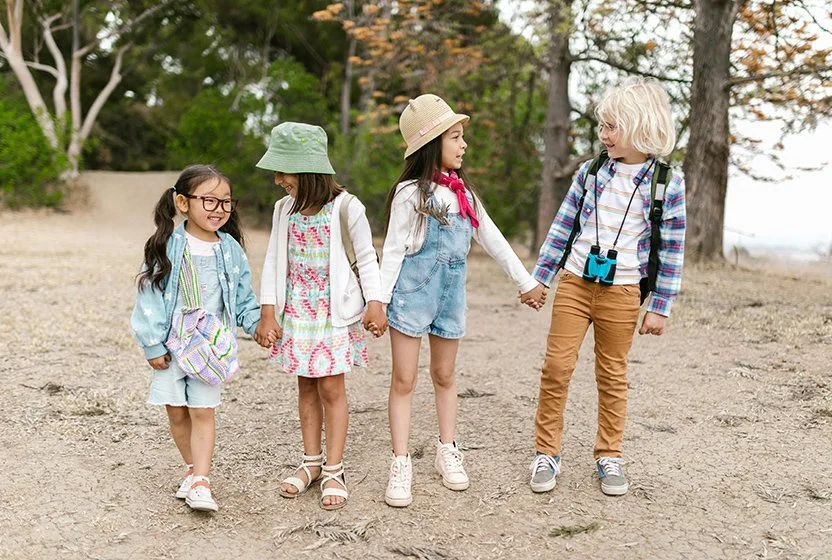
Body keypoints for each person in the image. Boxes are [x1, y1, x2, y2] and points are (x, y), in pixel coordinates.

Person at [380, 94, 547, 507]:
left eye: (462, 137)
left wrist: (525, 281)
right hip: (412, 296)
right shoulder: (410, 194)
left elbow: (492, 238)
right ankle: (401, 461)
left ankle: (447, 449)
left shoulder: (464, 194)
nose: (463, 144)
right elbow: (394, 250)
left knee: (445, 375)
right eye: (455, 137)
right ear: (432, 143)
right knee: (404, 379)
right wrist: (378, 301)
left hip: (450, 298)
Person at [528, 77, 687, 496]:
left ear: (640, 126)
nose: (603, 134)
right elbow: (563, 226)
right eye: (602, 126)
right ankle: (546, 452)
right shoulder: (591, 171)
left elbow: (672, 249)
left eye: (612, 126)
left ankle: (609, 455)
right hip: (576, 283)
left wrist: (660, 306)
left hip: (623, 292)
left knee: (612, 374)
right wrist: (541, 278)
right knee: (557, 367)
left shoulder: (667, 183)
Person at [252, 122, 386, 510]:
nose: (277, 180)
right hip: (298, 312)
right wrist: (268, 311)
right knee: (306, 386)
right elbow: (274, 260)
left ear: (308, 170)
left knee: (331, 389)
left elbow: (365, 257)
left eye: (283, 171)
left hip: (333, 314)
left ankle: (334, 468)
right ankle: (311, 462)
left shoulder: (347, 207)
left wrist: (375, 302)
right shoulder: (283, 210)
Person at [131, 164, 263, 512]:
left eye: (226, 202)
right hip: (172, 347)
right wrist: (153, 344)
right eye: (209, 200)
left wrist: (257, 325)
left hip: (210, 348)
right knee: (176, 413)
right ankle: (191, 468)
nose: (219, 209)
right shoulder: (165, 245)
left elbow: (244, 296)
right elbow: (149, 297)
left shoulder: (230, 249)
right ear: (182, 202)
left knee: (203, 411)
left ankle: (202, 480)